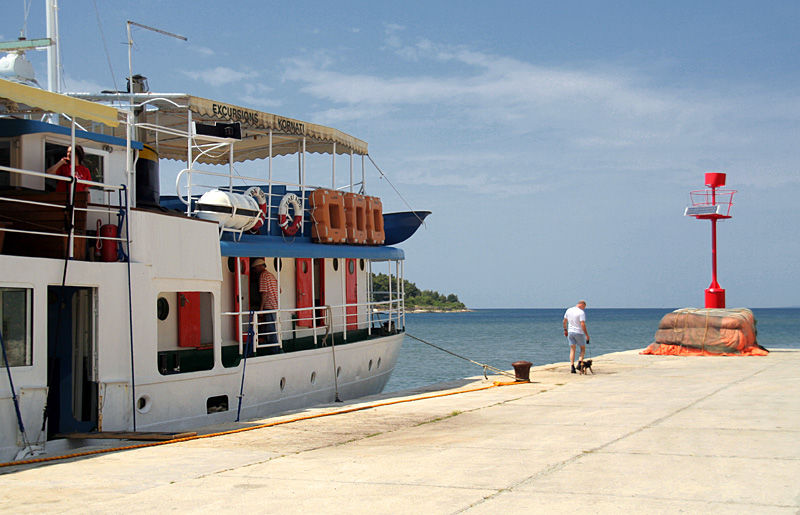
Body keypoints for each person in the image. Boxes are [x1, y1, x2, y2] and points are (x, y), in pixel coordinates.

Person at [251, 258, 279, 350]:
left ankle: (273, 350)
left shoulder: (263, 276)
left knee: (270, 330)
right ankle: (273, 348)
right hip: (274, 305)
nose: (254, 271)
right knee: (271, 328)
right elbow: (280, 290)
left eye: (255, 268)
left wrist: (261, 308)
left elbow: (264, 293)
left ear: (260, 267)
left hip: (268, 305)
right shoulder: (271, 275)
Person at [563, 300, 590, 374]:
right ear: (582, 305)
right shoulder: (581, 312)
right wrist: (587, 335)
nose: (584, 309)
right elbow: (582, 324)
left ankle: (572, 366)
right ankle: (579, 363)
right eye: (584, 307)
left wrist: (565, 330)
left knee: (572, 350)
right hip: (579, 332)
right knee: (582, 349)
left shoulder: (569, 310)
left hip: (570, 332)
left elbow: (564, 321)